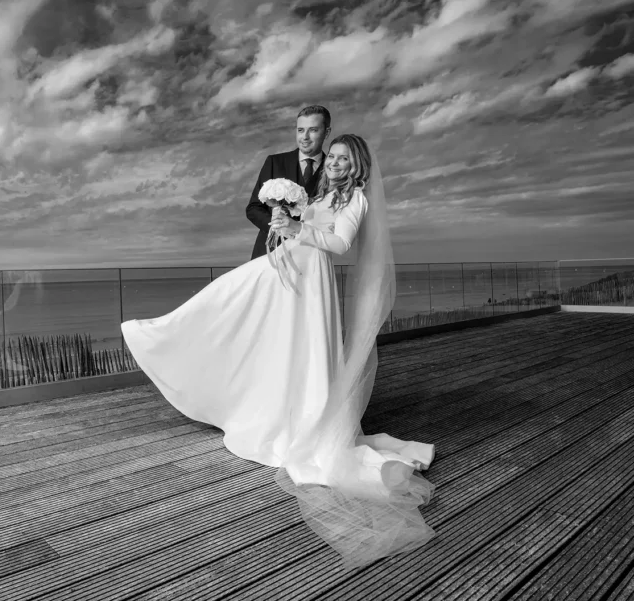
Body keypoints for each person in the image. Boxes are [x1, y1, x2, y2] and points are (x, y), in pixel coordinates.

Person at [122, 133, 436, 569]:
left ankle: (299, 419)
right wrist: (283, 219)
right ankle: (165, 333)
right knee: (233, 305)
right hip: (290, 272)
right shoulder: (324, 194)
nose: (336, 164)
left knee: (293, 345)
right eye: (334, 158)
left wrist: (298, 227)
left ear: (358, 164)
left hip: (312, 284)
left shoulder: (357, 200)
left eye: (345, 159)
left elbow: (340, 244)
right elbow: (299, 231)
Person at [246, 105, 331, 260]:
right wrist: (277, 227)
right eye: (300, 130)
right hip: (269, 253)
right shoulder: (275, 162)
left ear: (326, 133)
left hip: (311, 255)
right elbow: (253, 208)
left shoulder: (333, 170)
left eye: (313, 130)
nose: (305, 137)